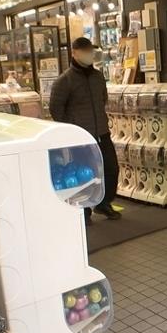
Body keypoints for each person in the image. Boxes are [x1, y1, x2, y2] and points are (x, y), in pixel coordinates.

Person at [50, 37, 120, 224]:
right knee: (85, 173)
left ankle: (103, 203)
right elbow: (56, 109)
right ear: (74, 53)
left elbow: (102, 100)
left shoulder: (98, 77)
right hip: (81, 137)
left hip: (102, 132)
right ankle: (84, 210)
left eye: (90, 51)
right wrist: (71, 127)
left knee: (111, 169)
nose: (89, 55)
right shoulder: (64, 81)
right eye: (85, 51)